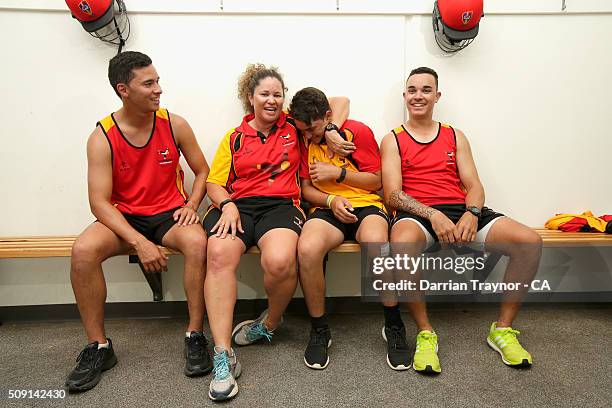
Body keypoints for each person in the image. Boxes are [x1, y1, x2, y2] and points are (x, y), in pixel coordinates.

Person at [203, 64, 351, 401]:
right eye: (264, 94)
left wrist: (329, 129)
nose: (272, 100)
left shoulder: (294, 127)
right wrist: (226, 204)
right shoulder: (234, 137)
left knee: (282, 260)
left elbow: (340, 101)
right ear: (250, 98)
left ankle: (269, 323)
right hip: (237, 206)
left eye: (277, 94)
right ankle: (223, 354)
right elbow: (214, 181)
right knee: (219, 254)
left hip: (281, 206)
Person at [380, 66, 542, 374]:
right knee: (400, 246)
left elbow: (474, 186)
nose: (418, 95)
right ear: (405, 97)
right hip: (418, 214)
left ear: (437, 96)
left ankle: (502, 330)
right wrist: (432, 214)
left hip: (462, 210)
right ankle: (426, 333)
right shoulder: (393, 139)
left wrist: (472, 212)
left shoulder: (455, 135)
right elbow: (393, 196)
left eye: (426, 90)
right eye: (412, 90)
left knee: (530, 242)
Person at [65, 51, 211, 392]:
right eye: (148, 83)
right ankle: (98, 346)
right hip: (125, 216)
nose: (158, 89)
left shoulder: (174, 123)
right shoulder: (102, 136)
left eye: (158, 80)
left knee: (197, 242)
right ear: (123, 90)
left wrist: (192, 203)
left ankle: (195, 334)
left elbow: (202, 170)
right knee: (83, 251)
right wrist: (138, 241)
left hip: (168, 214)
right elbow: (98, 203)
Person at [289, 87, 408, 371]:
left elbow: (377, 181)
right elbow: (306, 189)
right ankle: (319, 329)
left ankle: (393, 324)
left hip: (366, 205)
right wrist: (332, 197)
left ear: (328, 117)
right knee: (307, 249)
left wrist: (339, 174)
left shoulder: (356, 132)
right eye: (303, 131)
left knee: (377, 245)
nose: (307, 136)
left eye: (313, 129)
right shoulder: (303, 135)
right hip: (327, 207)